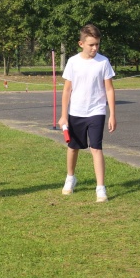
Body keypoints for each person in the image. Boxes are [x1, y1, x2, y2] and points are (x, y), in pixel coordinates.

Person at [58, 24, 116, 202]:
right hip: (76, 111)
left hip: (97, 111)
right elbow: (67, 90)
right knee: (73, 147)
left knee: (96, 148)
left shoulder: (103, 62)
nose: (95, 48)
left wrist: (112, 114)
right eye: (91, 44)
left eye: (97, 44)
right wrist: (63, 115)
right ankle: (70, 178)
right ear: (81, 43)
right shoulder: (73, 62)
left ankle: (100, 188)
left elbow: (109, 89)